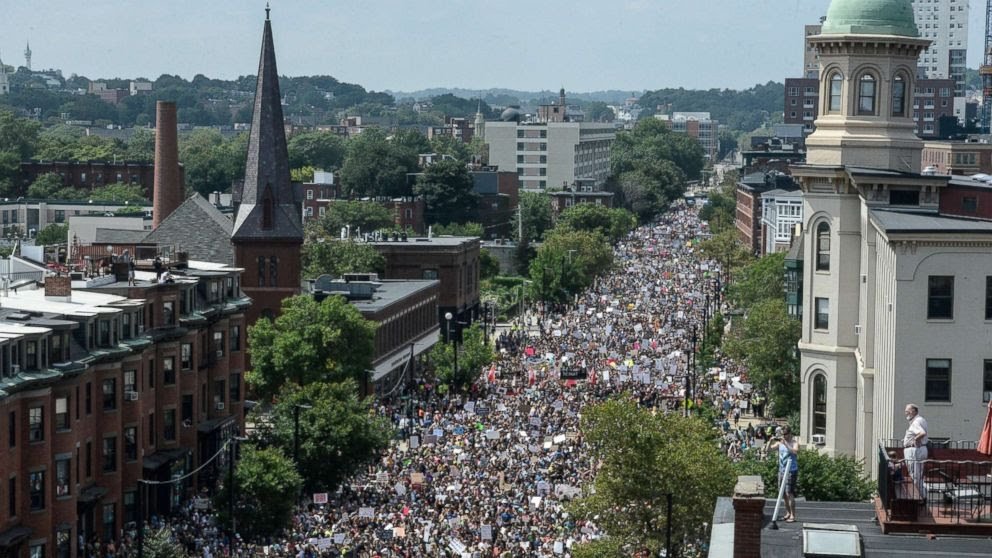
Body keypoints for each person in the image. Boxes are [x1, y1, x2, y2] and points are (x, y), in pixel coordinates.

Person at [770, 425, 799, 522]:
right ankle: (787, 512)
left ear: (790, 433)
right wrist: (770, 441)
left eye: (785, 434)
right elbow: (768, 449)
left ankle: (793, 515)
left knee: (789, 492)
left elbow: (795, 452)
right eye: (783, 434)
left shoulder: (794, 442)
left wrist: (786, 443)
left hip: (791, 471)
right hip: (781, 471)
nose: (784, 436)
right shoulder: (780, 443)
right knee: (782, 493)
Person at [903, 403, 928, 497]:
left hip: (914, 451)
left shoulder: (916, 422)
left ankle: (918, 497)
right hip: (921, 449)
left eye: (907, 411)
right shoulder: (921, 419)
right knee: (919, 475)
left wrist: (914, 440)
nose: (906, 413)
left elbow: (922, 433)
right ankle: (922, 496)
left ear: (913, 411)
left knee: (915, 475)